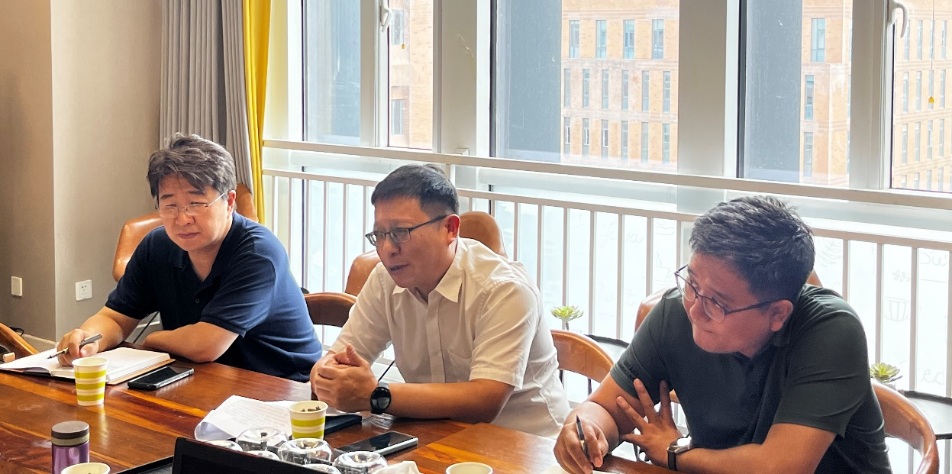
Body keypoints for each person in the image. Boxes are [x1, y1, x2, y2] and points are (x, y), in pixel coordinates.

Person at [554, 196, 890, 473]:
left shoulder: (831, 331)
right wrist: (585, 430)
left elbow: (780, 467)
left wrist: (674, 452)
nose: (695, 310)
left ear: (777, 313)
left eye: (717, 303)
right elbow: (606, 408)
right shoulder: (676, 312)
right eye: (692, 282)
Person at [309, 164, 570, 437]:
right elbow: (335, 361)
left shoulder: (504, 289)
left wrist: (376, 396)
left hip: (527, 445)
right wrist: (327, 375)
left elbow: (485, 400)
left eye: (400, 233)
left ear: (450, 228)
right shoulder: (384, 280)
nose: (387, 249)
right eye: (380, 235)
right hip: (435, 436)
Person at [56, 133, 321, 382]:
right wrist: (88, 338)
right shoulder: (157, 245)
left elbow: (205, 345)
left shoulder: (258, 252)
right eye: (170, 205)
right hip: (204, 379)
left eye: (196, 204)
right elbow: (115, 317)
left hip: (281, 387)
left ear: (229, 202)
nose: (182, 219)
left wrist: (153, 340)